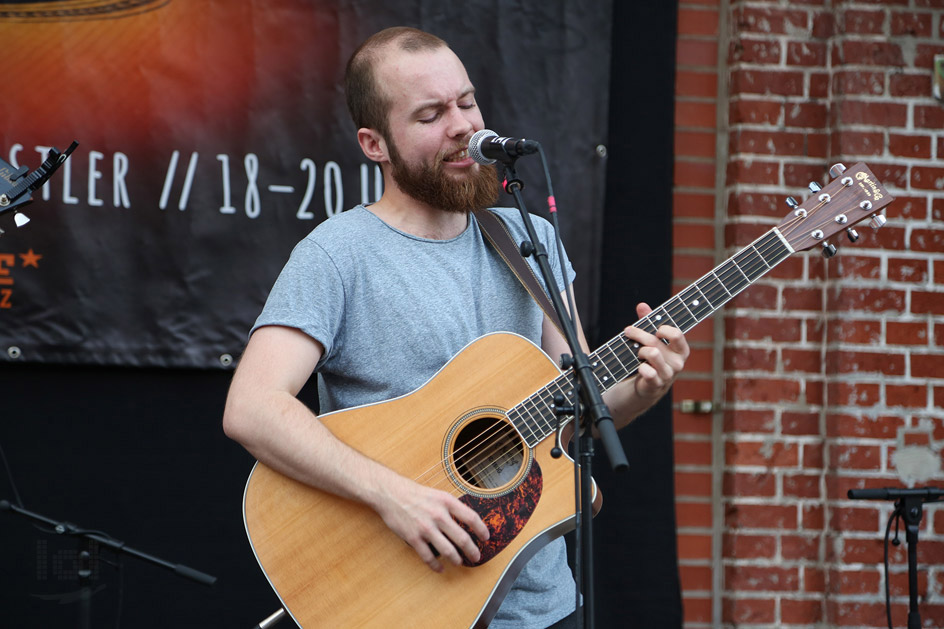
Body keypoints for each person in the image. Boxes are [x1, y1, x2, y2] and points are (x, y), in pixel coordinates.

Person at [223, 26, 689, 629]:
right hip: (408, 602)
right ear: (375, 144)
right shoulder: (337, 255)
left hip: (544, 609)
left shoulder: (531, 242)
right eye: (430, 114)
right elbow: (252, 408)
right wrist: (396, 496)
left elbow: (576, 414)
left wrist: (645, 385)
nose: (463, 125)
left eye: (467, 102)